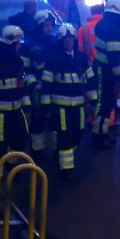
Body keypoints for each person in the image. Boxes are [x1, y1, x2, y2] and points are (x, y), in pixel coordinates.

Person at [42, 23, 96, 181]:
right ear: (61, 41)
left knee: (78, 135)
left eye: (71, 40)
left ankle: (60, 154)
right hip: (61, 108)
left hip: (79, 106)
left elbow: (90, 81)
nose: (69, 42)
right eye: (66, 40)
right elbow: (46, 85)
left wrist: (93, 102)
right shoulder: (53, 59)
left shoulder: (81, 58)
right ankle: (65, 170)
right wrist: (47, 108)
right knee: (65, 137)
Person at [0, 25, 32, 177]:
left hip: (17, 111)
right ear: (10, 45)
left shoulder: (18, 63)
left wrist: (27, 109)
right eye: (17, 43)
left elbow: (23, 87)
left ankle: (9, 165)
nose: (20, 46)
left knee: (22, 139)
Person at [90, 0, 120, 149]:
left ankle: (102, 134)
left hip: (102, 69)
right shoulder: (112, 30)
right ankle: (98, 137)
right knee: (104, 105)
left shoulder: (105, 24)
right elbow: (113, 58)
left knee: (107, 104)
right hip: (105, 72)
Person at [19, 9, 57, 162]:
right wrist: (33, 83)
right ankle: (37, 152)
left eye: (51, 25)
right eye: (46, 25)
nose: (49, 28)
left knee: (55, 121)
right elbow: (23, 69)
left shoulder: (56, 41)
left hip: (54, 89)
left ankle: (57, 151)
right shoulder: (29, 45)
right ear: (39, 26)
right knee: (37, 123)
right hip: (38, 91)